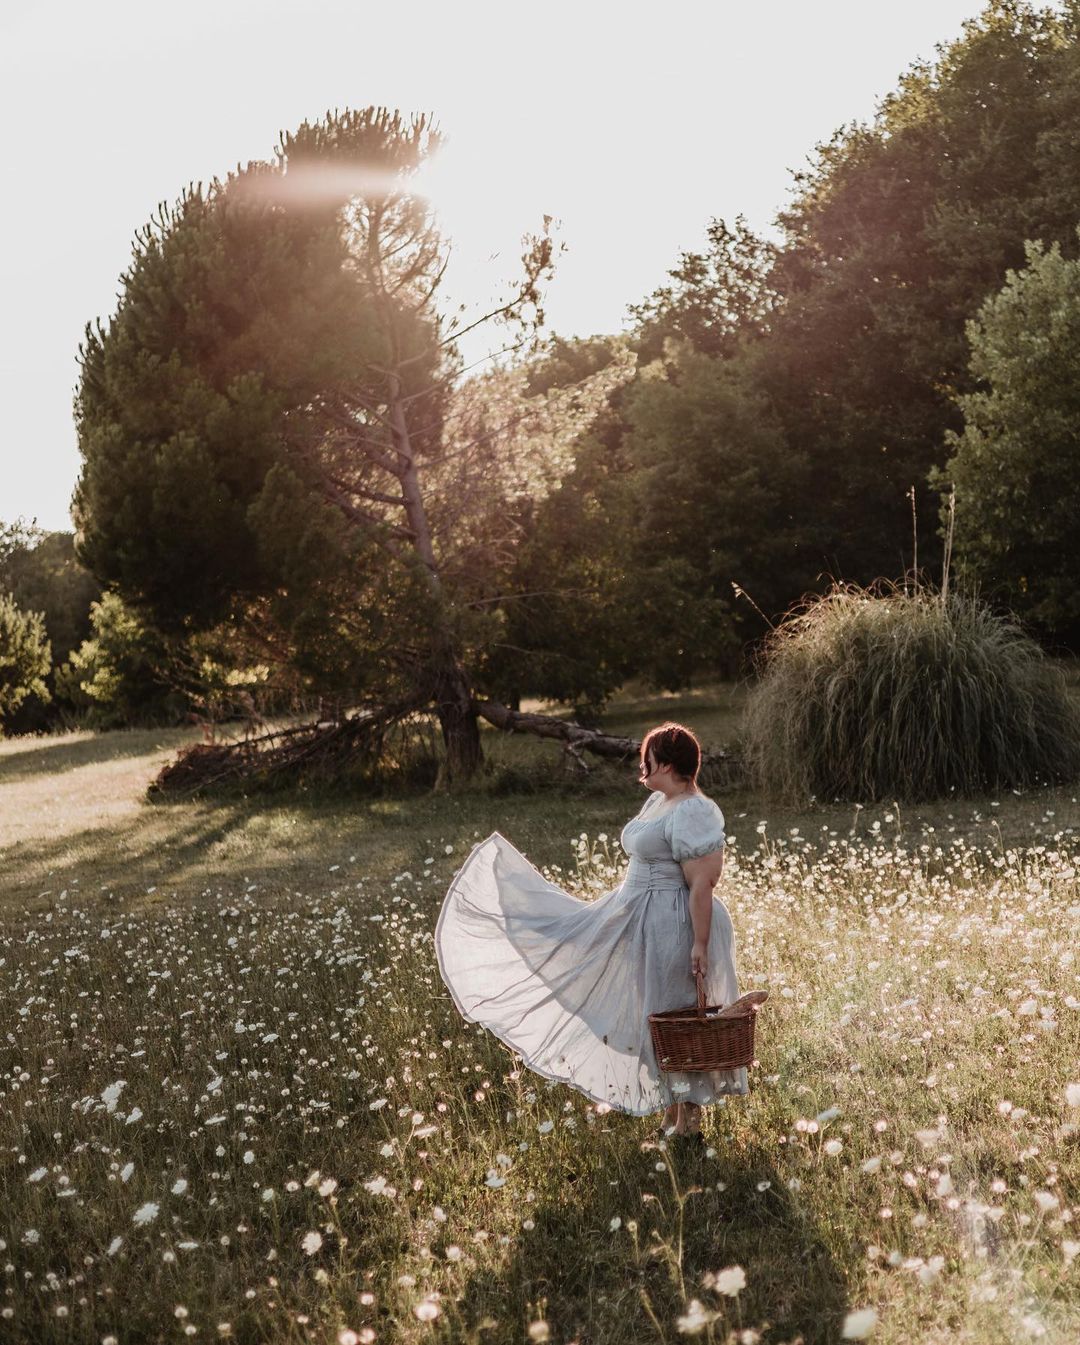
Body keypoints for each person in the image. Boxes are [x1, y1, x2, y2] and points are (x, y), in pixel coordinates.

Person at [434, 721, 747, 1144]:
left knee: (679, 1016)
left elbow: (702, 884)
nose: (643, 768)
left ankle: (688, 1124)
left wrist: (700, 942)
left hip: (673, 922)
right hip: (639, 917)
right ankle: (672, 1115)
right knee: (654, 1017)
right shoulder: (662, 802)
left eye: (648, 760)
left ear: (668, 763)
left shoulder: (692, 809)